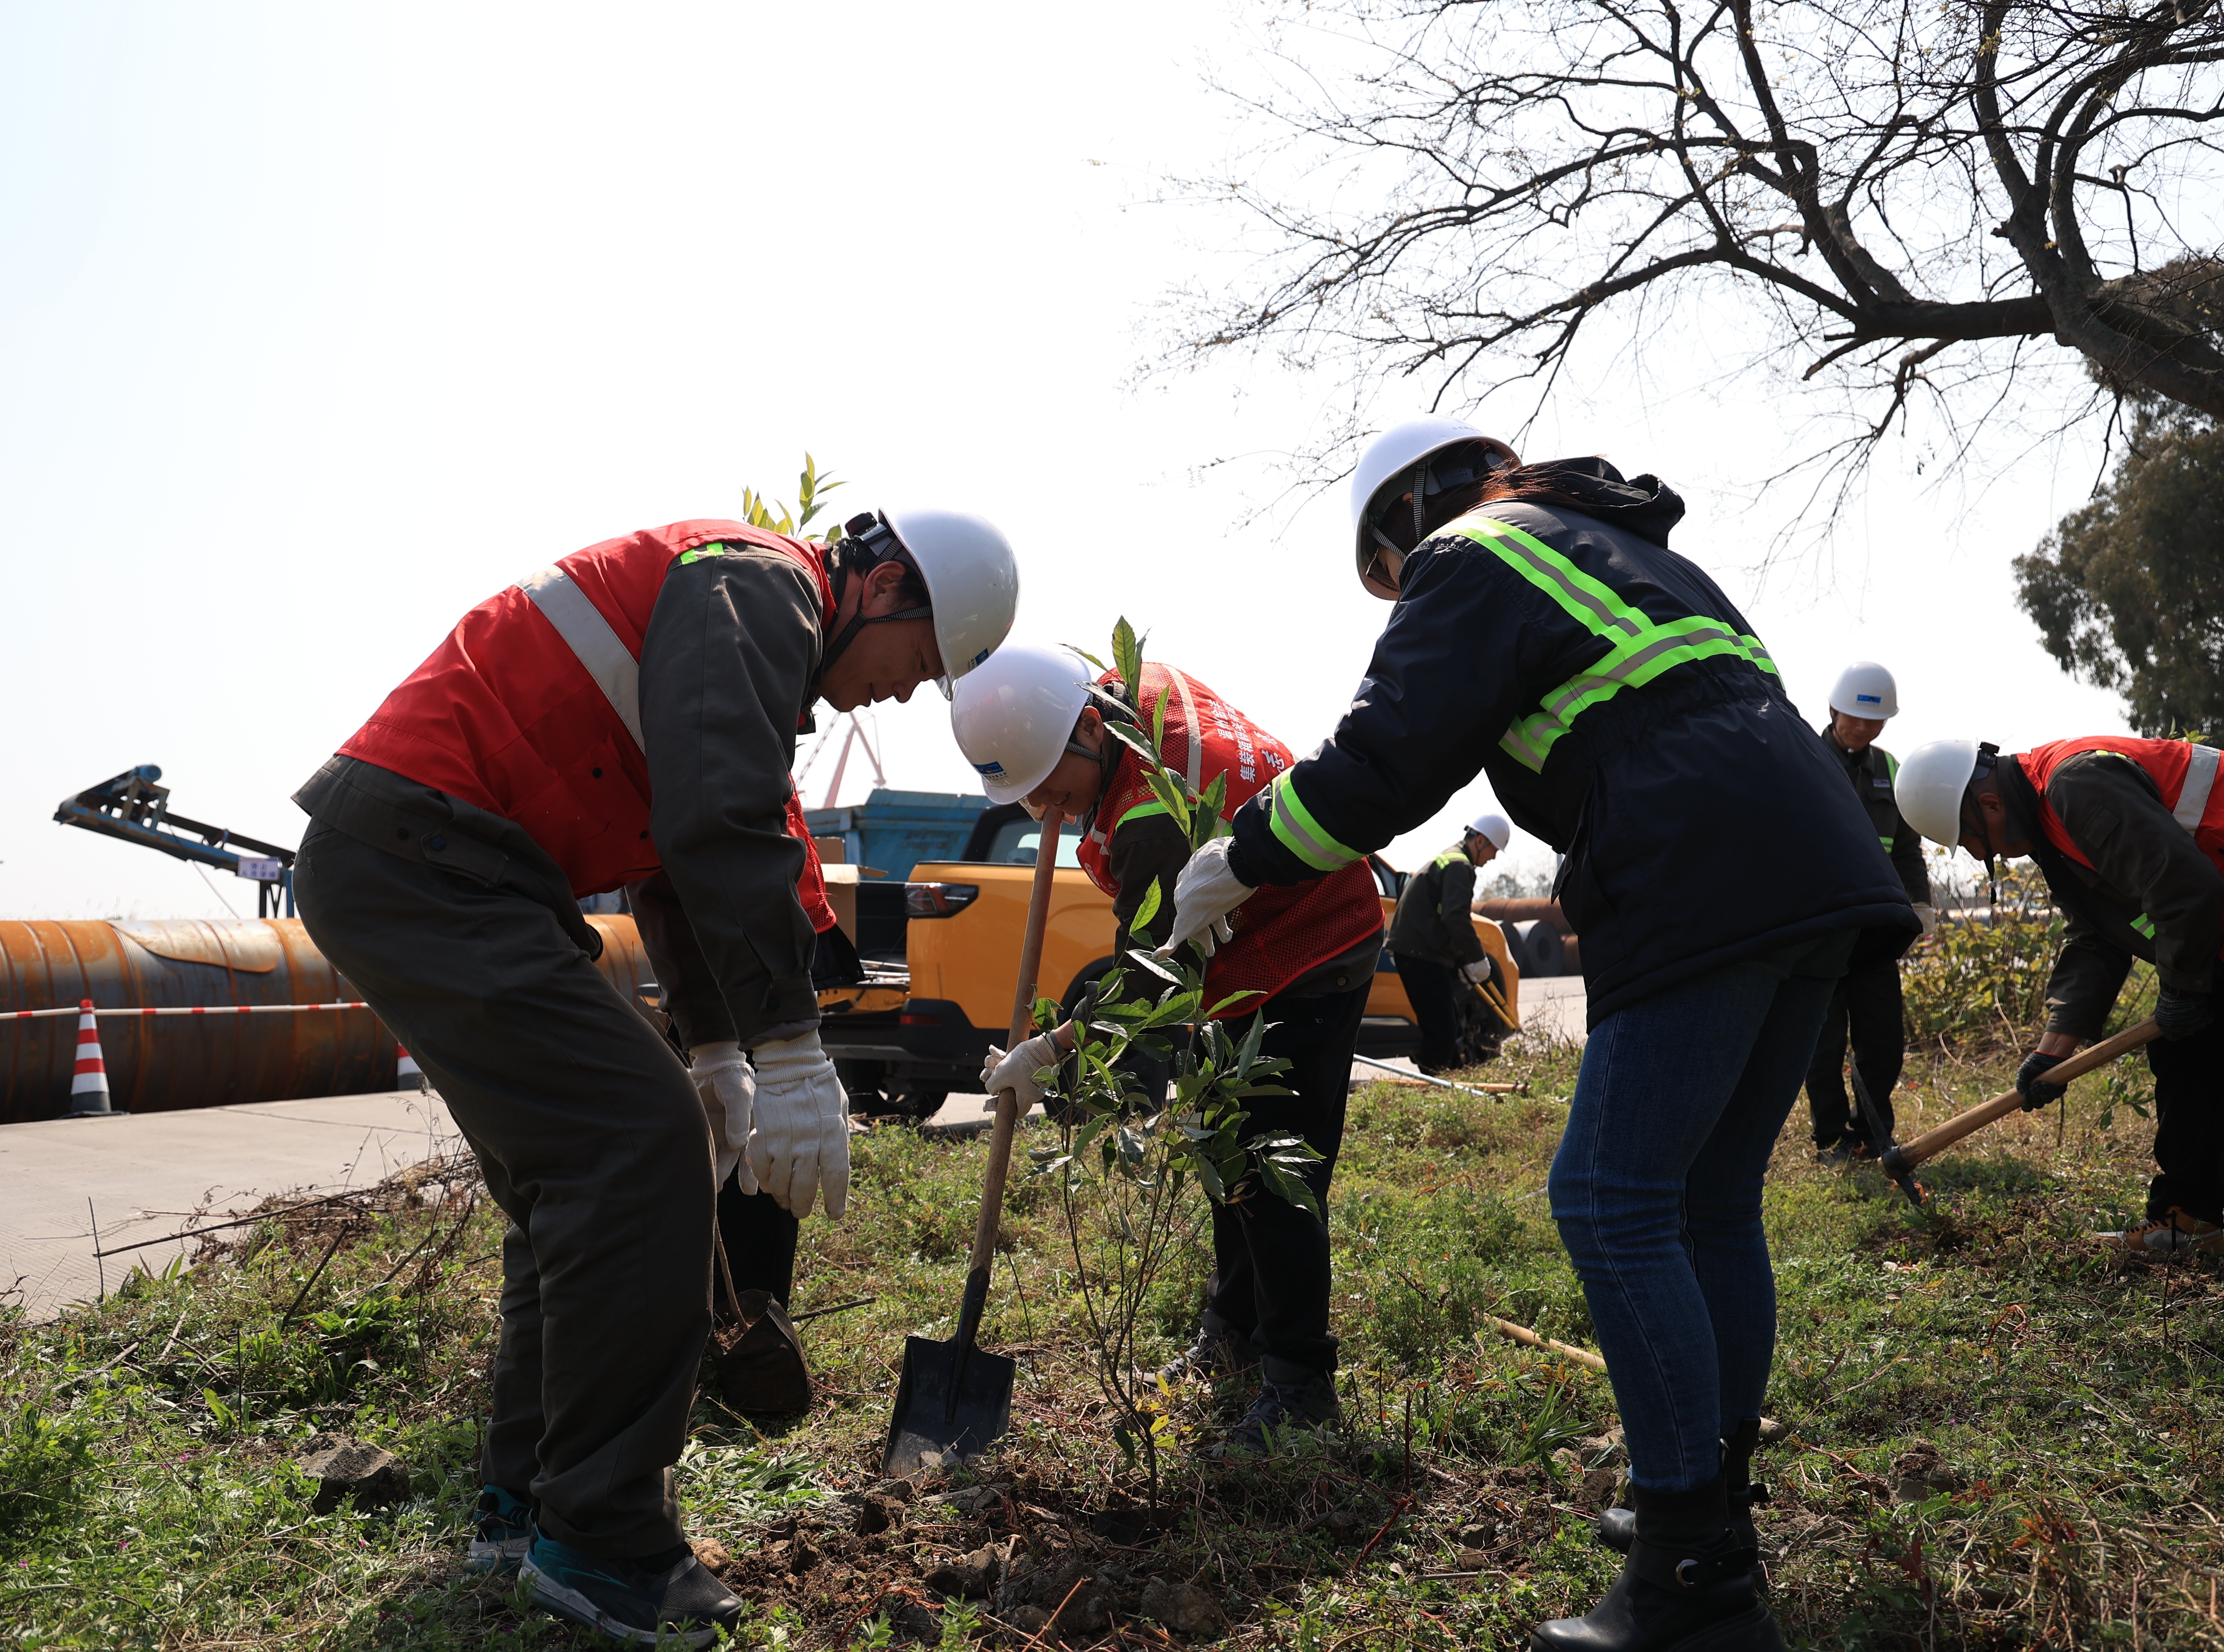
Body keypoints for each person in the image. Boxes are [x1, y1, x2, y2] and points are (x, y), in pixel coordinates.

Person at [1161, 416, 1915, 1652]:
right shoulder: (1620, 551)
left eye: (1385, 580)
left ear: (1405, 520)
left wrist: (1234, 862)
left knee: (1611, 1200)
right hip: (1811, 858)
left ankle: (1691, 1581)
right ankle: (1714, 1514)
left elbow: (1382, 765)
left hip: (1700, 860)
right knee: (1711, 1201)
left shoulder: (1468, 553)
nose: (1398, 601)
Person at [291, 508, 1017, 1646]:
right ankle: (605, 1539)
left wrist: (719, 1047)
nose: (897, 694)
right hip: (431, 861)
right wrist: (786, 1048)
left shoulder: (733, 616)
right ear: (880, 590)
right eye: (919, 664)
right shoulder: (758, 586)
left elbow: (671, 864)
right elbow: (719, 821)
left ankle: (525, 1501)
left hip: (431, 864)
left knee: (574, 1183)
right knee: (640, 1155)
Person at [957, 644, 1385, 1443]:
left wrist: (1046, 1052)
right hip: (1246, 947)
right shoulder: (1117, 694)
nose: (1044, 808)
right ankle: (1233, 1330)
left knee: (1272, 1159)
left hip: (1313, 942)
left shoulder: (1151, 815)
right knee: (1228, 1144)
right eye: (1025, 797)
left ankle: (1299, 1386)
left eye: (1050, 786)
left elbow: (1149, 979)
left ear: (1088, 728)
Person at [1896, 736, 2224, 1350]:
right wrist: (2052, 1051)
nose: (1984, 855)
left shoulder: (2076, 787)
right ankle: (2189, 1221)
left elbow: (2185, 887)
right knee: (2191, 1049)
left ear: (1988, 805)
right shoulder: (2050, 825)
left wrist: (2181, 989)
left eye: (1973, 843)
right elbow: (2097, 937)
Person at [1804, 662, 1938, 1159]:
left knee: (1883, 1040)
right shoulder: (1804, 759)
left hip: (1874, 932)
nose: (1863, 729)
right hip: (1817, 929)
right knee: (1823, 1041)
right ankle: (1830, 1137)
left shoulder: (1890, 771)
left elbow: (1906, 847)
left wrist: (1919, 902)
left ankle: (1872, 1131)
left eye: (1874, 721)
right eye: (1855, 719)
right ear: (1834, 711)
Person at [1390, 813, 1512, 1073]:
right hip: (1420, 954)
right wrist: (1477, 959)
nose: (1492, 858)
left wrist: (1460, 964)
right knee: (1442, 1029)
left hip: (1420, 952)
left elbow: (1444, 919)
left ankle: (1442, 1082)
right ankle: (1434, 1088)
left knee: (1446, 1024)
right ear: (1480, 841)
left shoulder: (1451, 859)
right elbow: (1456, 918)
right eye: (1493, 851)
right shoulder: (1460, 866)